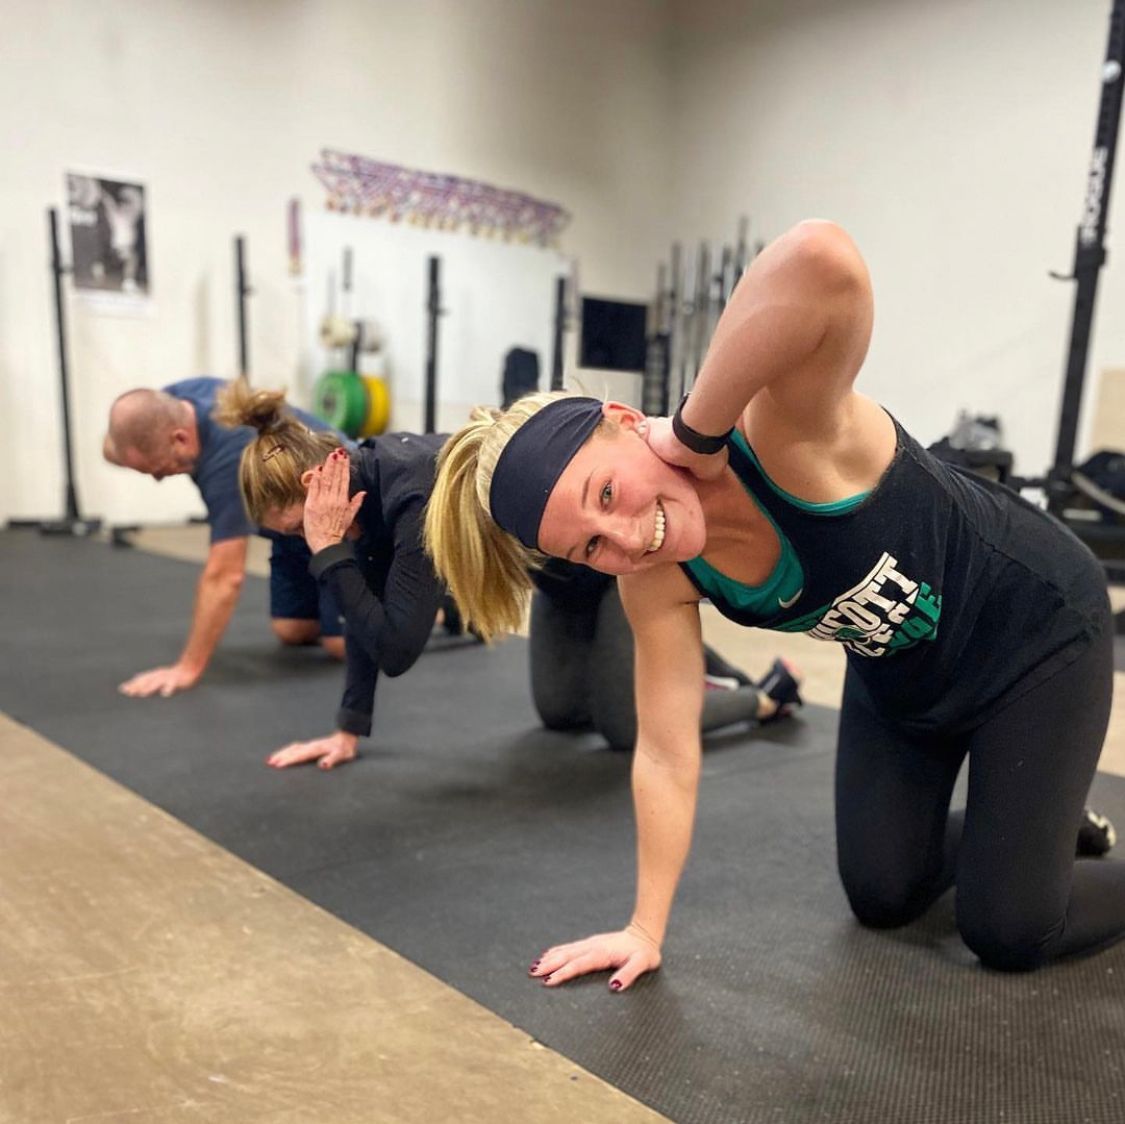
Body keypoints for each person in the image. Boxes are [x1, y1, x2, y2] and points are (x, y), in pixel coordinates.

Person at [424, 219, 1124, 989]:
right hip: (901, 678)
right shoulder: (653, 577)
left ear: (625, 424)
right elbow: (663, 750)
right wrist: (641, 929)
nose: (625, 538)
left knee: (1008, 930)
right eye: (589, 547)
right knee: (883, 897)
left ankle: (1030, 846)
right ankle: (1042, 828)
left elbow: (821, 259)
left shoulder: (782, 434)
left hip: (1037, 638)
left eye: (605, 493)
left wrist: (697, 428)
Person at [215, 380, 447, 770]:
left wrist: (328, 548)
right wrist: (347, 730)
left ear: (312, 484)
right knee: (560, 714)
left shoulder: (410, 493)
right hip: (550, 582)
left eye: (296, 529)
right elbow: (363, 613)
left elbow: (395, 653)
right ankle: (450, 608)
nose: (305, 542)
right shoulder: (360, 496)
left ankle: (449, 607)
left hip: (578, 563)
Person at [104, 378, 345, 698]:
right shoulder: (174, 403)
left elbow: (224, 577)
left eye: (161, 469)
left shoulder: (228, 459)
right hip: (292, 524)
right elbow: (114, 443)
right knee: (293, 631)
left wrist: (188, 667)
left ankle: (423, 605)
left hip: (340, 515)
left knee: (341, 645)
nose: (160, 479)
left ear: (179, 438)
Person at [530, 558, 802, 750]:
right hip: (557, 578)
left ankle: (763, 698)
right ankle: (681, 658)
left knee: (627, 727)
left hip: (621, 564)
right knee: (562, 712)